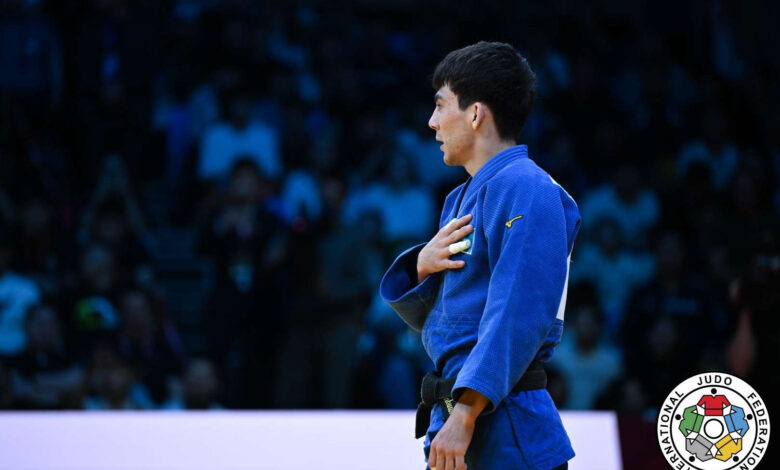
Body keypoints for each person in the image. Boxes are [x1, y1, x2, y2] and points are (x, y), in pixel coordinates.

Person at [380, 42, 581, 470]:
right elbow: (446, 324)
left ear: (475, 114)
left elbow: (518, 313)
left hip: (505, 425)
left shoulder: (528, 188)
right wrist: (419, 267)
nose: (432, 122)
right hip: (460, 416)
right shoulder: (460, 198)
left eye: (440, 106)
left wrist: (466, 412)